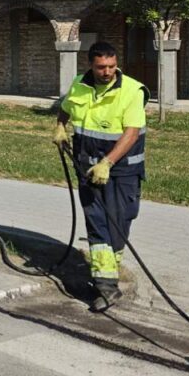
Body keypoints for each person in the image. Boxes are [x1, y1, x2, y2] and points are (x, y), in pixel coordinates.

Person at [53, 41, 149, 310]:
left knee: (118, 223)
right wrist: (60, 126)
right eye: (101, 67)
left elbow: (131, 132)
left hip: (121, 171)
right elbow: (66, 106)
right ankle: (105, 286)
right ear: (91, 65)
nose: (107, 72)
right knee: (96, 224)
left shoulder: (132, 90)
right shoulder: (80, 84)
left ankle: (108, 275)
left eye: (111, 66)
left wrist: (107, 162)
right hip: (87, 168)